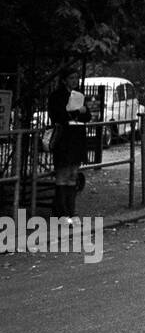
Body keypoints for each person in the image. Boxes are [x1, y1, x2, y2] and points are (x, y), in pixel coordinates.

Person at [47, 70, 89, 221]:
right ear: (64, 80)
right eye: (71, 78)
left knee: (73, 175)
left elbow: (87, 116)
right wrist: (77, 112)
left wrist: (78, 113)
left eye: (76, 77)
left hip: (76, 138)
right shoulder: (57, 96)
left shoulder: (79, 95)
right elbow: (59, 115)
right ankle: (61, 212)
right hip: (64, 140)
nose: (74, 80)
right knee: (63, 175)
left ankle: (71, 210)